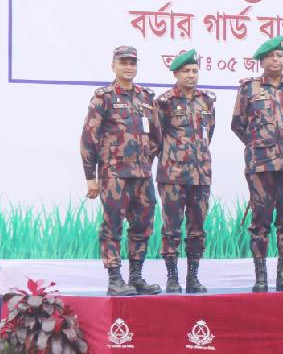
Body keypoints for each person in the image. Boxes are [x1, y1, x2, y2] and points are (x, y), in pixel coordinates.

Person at [80, 45, 162, 296]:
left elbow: (156, 136)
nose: (128, 67)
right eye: (123, 62)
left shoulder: (147, 97)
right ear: (113, 65)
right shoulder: (103, 97)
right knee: (112, 225)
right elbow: (88, 138)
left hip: (142, 174)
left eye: (132, 62)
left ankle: (135, 277)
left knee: (143, 225)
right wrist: (90, 178)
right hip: (114, 173)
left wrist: (146, 159)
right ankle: (115, 278)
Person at [231, 36, 283, 292]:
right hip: (261, 165)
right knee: (260, 222)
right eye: (271, 56)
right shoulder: (249, 89)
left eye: (280, 55)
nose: (276, 60)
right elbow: (238, 124)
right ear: (262, 61)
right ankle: (261, 277)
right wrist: (259, 144)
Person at [152, 49, 215, 293]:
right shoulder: (164, 102)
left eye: (194, 71)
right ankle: (172, 277)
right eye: (186, 71)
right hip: (172, 175)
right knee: (171, 229)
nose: (191, 75)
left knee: (197, 228)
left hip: (201, 175)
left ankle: (193, 277)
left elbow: (208, 134)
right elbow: (156, 138)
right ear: (176, 74)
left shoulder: (206, 100)